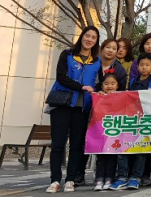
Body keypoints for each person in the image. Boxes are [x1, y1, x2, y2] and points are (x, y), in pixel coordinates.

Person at [46, 26, 101, 193]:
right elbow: (61, 77)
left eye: (93, 37)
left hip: (82, 108)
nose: (89, 39)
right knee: (58, 144)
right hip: (62, 105)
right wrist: (81, 87)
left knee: (77, 145)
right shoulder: (67, 54)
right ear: (82, 36)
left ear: (96, 41)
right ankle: (55, 180)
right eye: (87, 36)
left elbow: (99, 83)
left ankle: (70, 179)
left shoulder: (96, 61)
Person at [109, 54, 151, 191]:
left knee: (141, 151)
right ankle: (122, 177)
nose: (144, 67)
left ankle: (136, 177)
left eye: (147, 65)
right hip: (130, 120)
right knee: (123, 149)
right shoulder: (131, 82)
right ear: (137, 66)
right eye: (141, 65)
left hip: (145, 121)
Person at [93, 74, 121, 191]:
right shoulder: (98, 96)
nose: (109, 86)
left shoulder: (121, 97)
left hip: (115, 132)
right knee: (100, 157)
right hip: (100, 132)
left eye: (113, 83)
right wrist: (98, 97)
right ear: (102, 85)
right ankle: (99, 178)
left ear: (117, 86)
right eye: (106, 83)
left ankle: (109, 178)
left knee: (112, 156)